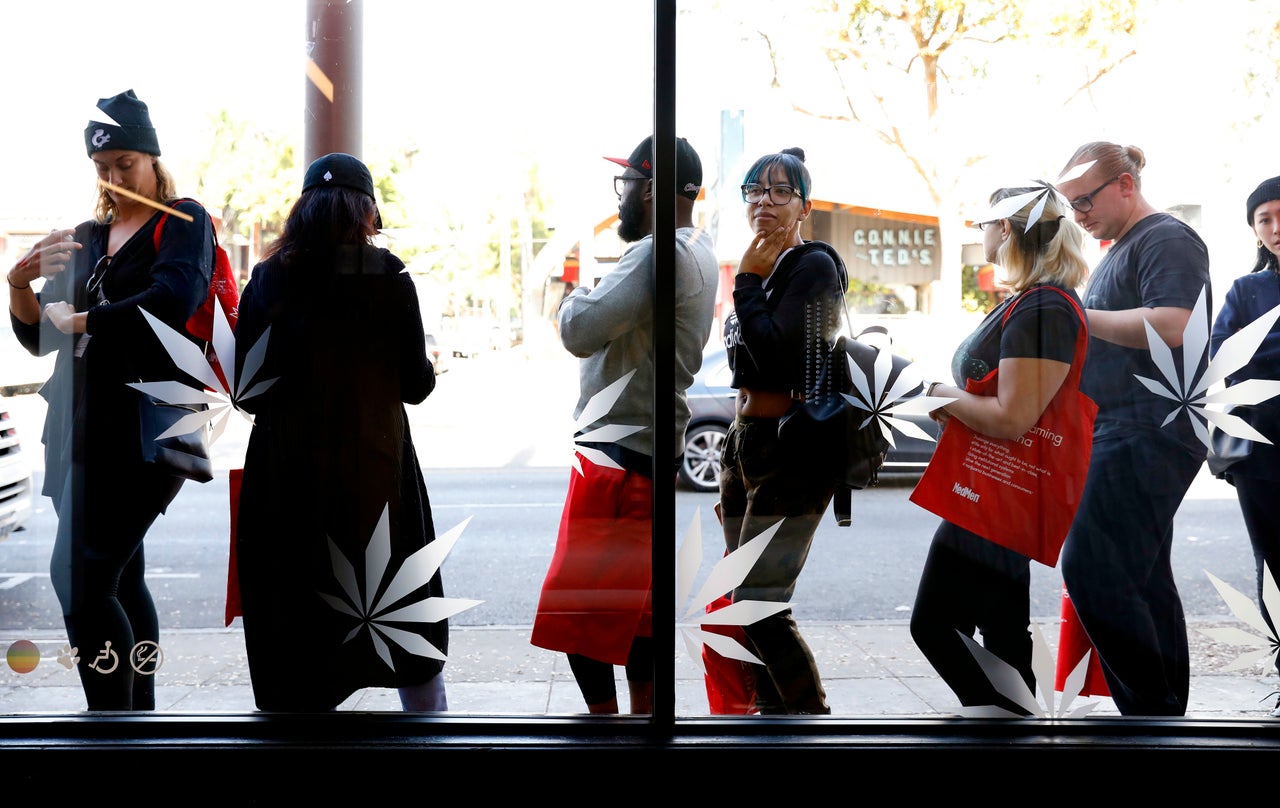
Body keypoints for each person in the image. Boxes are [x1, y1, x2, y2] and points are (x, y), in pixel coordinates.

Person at [6, 89, 214, 710]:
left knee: (79, 578)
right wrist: (18, 283)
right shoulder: (87, 237)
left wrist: (85, 322)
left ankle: (110, 721)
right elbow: (37, 334)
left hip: (145, 426)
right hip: (81, 428)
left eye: (126, 162)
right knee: (120, 578)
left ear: (152, 159)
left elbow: (172, 301)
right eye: (103, 167)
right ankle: (138, 716)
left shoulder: (180, 220)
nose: (115, 176)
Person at [233, 153, 448, 712]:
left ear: (301, 210)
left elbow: (249, 390)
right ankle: (431, 740)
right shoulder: (388, 275)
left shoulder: (269, 277)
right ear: (368, 212)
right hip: (373, 470)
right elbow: (415, 385)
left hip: (286, 476)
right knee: (400, 618)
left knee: (298, 626)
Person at [530, 135, 719, 714]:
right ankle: (643, 725)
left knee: (578, 618)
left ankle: (608, 732)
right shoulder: (701, 250)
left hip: (616, 459)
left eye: (628, 185)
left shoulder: (654, 254)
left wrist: (576, 298)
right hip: (650, 454)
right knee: (639, 618)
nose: (623, 198)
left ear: (655, 189)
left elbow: (579, 330)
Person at [909, 185, 1090, 715]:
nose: (981, 234)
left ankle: (1011, 723)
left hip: (998, 497)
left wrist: (945, 397)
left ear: (1005, 229)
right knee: (1003, 632)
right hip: (1000, 493)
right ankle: (1013, 729)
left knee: (935, 625)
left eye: (984, 224)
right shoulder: (1032, 301)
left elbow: (1013, 418)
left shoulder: (1043, 308)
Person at [1056, 142, 1212, 716]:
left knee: (1091, 568)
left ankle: (1149, 715)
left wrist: (1072, 315)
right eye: (1071, 205)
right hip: (1125, 426)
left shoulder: (1166, 237)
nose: (1079, 215)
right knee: (1143, 578)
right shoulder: (1123, 247)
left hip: (1147, 426)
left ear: (1125, 184)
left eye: (1086, 200)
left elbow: (1173, 324)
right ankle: (1164, 721)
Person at [718, 147, 848, 715]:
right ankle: (770, 717)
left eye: (779, 192)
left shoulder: (811, 266)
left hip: (791, 451)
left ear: (804, 207)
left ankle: (806, 719)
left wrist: (746, 279)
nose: (763, 202)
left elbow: (776, 354)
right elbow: (745, 358)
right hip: (744, 441)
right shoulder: (766, 270)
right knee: (743, 597)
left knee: (758, 600)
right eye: (754, 190)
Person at [1209, 175, 1280, 716]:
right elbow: (1222, 364)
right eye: (1265, 220)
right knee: (1275, 568)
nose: (1276, 229)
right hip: (1263, 457)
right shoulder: (1244, 291)